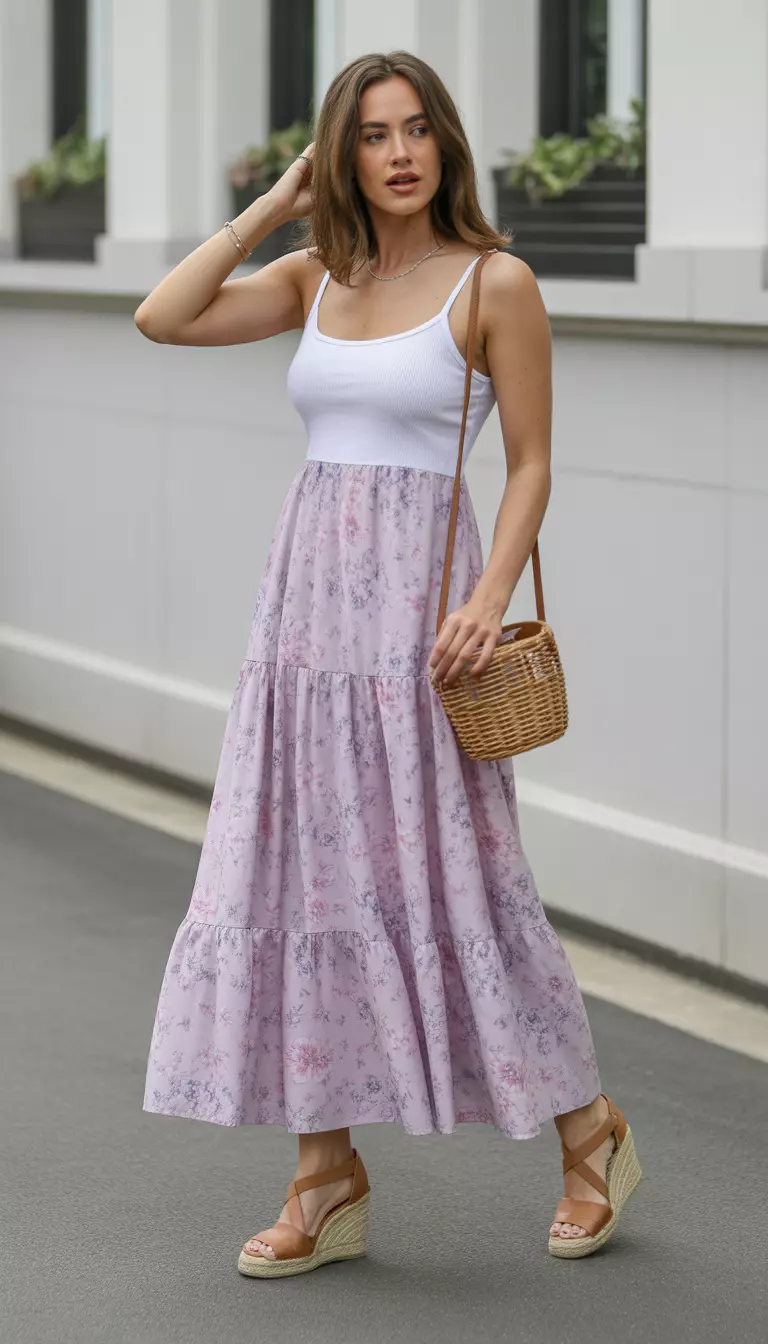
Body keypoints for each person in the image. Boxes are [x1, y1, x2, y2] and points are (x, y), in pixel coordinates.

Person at [135, 49, 642, 1278]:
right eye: (372, 136)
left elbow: (529, 463)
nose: (401, 152)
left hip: (425, 624)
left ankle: (592, 1133)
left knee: (462, 884)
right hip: (304, 629)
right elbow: (166, 315)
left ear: (446, 145)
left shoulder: (495, 282)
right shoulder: (313, 277)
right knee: (300, 877)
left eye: (418, 130)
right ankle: (327, 1174)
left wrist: (485, 597)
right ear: (342, 156)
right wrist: (270, 206)